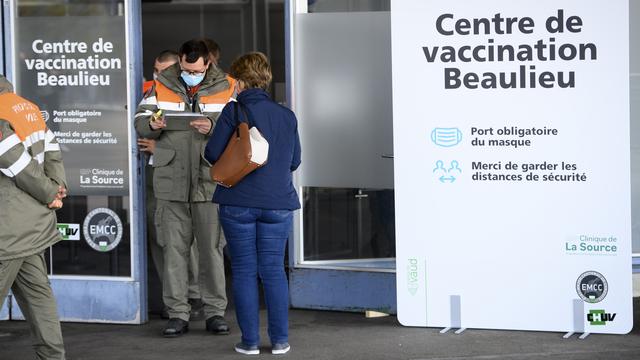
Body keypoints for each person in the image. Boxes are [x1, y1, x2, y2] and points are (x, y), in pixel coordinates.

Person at [135, 39, 235, 338]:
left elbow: (241, 125)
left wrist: (213, 125)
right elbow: (140, 121)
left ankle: (215, 312)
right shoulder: (161, 84)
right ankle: (178, 313)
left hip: (208, 181)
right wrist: (155, 123)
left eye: (197, 69)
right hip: (172, 181)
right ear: (180, 60)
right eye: (186, 68)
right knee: (174, 252)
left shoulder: (227, 86)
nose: (191, 73)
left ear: (208, 64)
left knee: (211, 251)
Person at [204, 52, 301, 355]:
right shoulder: (286, 115)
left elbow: (212, 153)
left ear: (241, 81)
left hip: (239, 203)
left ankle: (249, 343)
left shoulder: (234, 112)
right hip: (278, 203)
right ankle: (280, 341)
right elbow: (295, 160)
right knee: (273, 270)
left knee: (245, 270)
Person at [0, 74, 68, 359]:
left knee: (38, 296)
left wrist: (48, 193)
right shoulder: (24, 107)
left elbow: (17, 163)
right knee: (39, 297)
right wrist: (56, 188)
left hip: (6, 228)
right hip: (29, 224)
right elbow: (52, 151)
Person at [138, 49, 205, 320]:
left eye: (163, 70)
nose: (158, 75)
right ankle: (173, 297)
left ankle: (194, 294)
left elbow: (196, 139)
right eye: (155, 69)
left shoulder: (190, 96)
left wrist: (159, 148)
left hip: (181, 179)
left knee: (187, 240)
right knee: (159, 238)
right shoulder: (150, 95)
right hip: (154, 179)